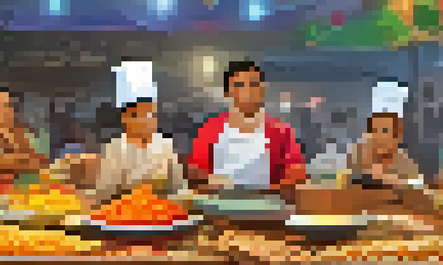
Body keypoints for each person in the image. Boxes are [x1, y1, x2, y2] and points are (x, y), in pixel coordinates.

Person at [187, 60, 306, 192]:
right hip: (217, 204)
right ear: (227, 92)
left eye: (253, 84)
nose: (247, 90)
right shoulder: (210, 128)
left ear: (262, 89)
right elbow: (196, 173)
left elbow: (296, 175)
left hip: (268, 205)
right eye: (239, 85)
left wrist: (264, 191)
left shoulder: (282, 130)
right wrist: (218, 187)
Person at [93, 61, 187, 202]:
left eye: (153, 115)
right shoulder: (115, 148)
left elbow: (179, 189)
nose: (150, 121)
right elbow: (104, 196)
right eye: (144, 115)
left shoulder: (165, 145)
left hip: (162, 215)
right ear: (126, 118)